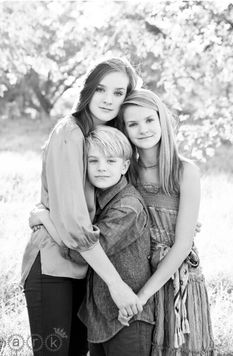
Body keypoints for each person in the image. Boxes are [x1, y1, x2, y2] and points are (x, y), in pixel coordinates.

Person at [21, 57, 143, 356]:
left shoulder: (104, 138)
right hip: (53, 267)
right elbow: (73, 222)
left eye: (118, 93)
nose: (108, 99)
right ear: (88, 89)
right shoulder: (70, 133)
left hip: (85, 267)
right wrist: (116, 284)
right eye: (101, 88)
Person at [117, 88, 215, 355]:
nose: (143, 129)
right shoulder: (126, 173)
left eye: (149, 120)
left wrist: (143, 295)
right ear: (123, 129)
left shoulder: (185, 171)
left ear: (162, 120)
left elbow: (182, 244)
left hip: (176, 277)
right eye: (133, 123)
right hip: (137, 273)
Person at [70, 125, 155, 356]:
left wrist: (46, 220)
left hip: (128, 316)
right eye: (93, 161)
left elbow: (80, 251)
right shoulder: (94, 199)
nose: (101, 168)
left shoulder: (127, 207)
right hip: (99, 315)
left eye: (110, 161)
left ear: (125, 166)